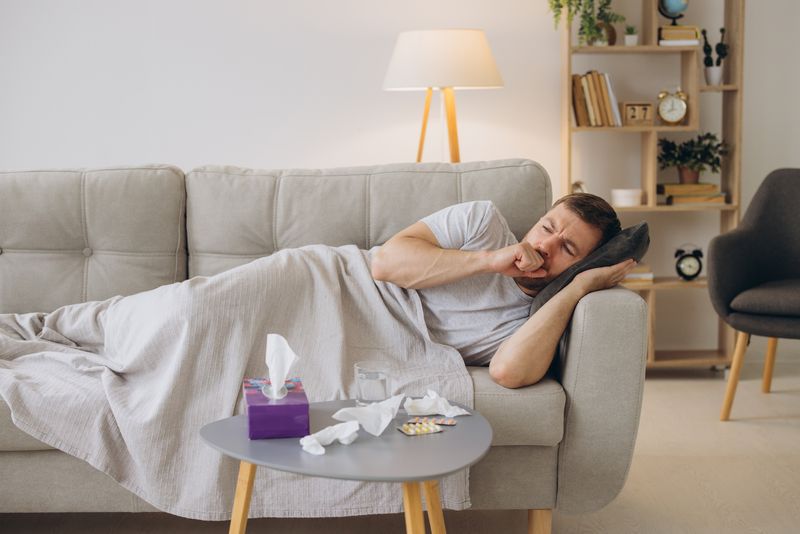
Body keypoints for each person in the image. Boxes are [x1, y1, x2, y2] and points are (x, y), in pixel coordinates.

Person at [370, 193, 637, 389]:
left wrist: (579, 287)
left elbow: (508, 372)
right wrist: (490, 261)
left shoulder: (530, 323)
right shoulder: (483, 222)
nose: (545, 245)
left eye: (567, 248)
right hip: (343, 281)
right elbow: (384, 264)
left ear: (583, 265)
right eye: (546, 228)